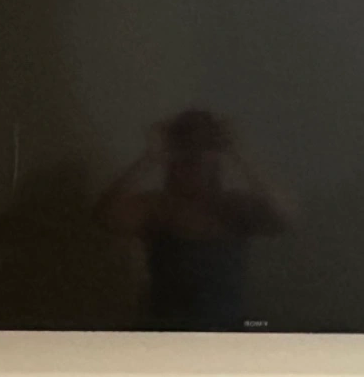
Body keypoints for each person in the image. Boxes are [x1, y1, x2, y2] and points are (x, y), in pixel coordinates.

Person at [93, 109, 291, 328]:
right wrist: (150, 157)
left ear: (216, 155)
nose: (194, 157)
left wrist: (239, 154)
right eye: (186, 146)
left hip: (229, 335)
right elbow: (105, 217)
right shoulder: (157, 207)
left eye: (203, 146)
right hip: (165, 336)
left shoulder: (234, 206)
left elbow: (283, 218)